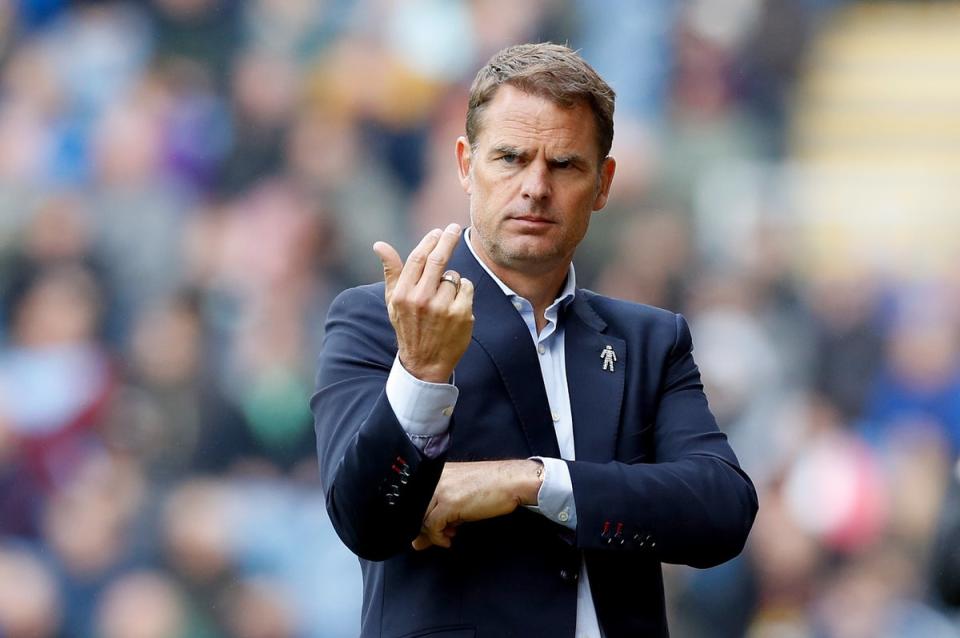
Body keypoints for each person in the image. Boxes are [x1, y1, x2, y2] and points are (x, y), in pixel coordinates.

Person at [312, 42, 758, 638]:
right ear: (466, 164)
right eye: (511, 158)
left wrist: (531, 481)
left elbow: (722, 510)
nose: (536, 187)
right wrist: (421, 372)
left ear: (604, 183)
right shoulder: (379, 319)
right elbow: (366, 522)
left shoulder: (651, 339)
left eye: (565, 165)